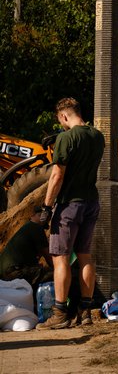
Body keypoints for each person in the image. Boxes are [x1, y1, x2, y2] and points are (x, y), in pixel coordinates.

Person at [36, 97, 105, 330]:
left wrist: (46, 206)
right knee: (85, 255)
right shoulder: (98, 136)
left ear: (64, 116)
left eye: (61, 121)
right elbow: (81, 153)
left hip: (69, 206)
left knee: (61, 258)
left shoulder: (66, 138)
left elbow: (57, 176)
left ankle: (59, 314)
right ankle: (86, 311)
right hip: (91, 202)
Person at [0, 208, 53, 298]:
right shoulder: (35, 227)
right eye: (40, 215)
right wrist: (62, 270)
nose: (43, 218)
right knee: (52, 274)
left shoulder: (27, 228)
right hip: (14, 272)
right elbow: (49, 259)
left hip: (5, 273)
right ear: (32, 216)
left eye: (45, 216)